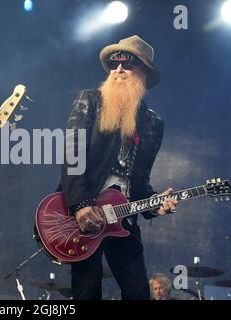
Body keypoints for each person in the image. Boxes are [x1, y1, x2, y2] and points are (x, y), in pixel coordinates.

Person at [61, 35, 178, 300]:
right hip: (86, 215)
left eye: (128, 63)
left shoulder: (152, 123)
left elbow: (140, 182)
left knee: (138, 292)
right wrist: (79, 205)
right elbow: (72, 153)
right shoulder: (90, 101)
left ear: (144, 73)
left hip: (123, 217)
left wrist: (156, 204)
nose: (119, 69)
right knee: (87, 291)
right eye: (114, 64)